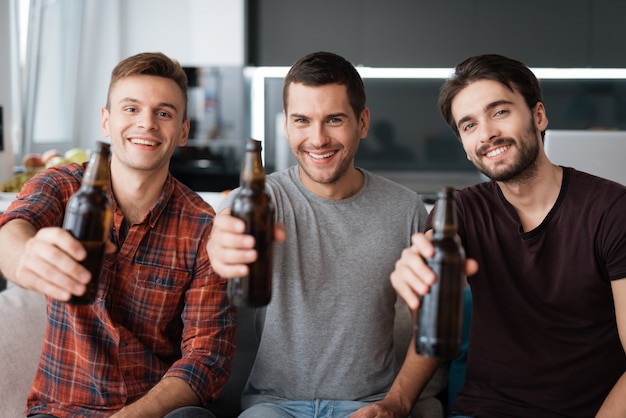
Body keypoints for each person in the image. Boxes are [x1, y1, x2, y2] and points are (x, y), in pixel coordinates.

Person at [0, 52, 236, 417]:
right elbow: (13, 230)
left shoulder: (204, 227)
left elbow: (207, 358)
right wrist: (24, 255)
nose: (147, 124)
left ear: (183, 131)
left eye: (163, 113)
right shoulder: (62, 187)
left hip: (150, 410)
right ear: (106, 121)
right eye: (131, 109)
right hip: (61, 409)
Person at [390, 53, 626, 418]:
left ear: (538, 116)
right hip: (486, 410)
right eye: (468, 126)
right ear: (466, 150)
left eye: (499, 112)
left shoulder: (612, 209)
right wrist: (396, 402)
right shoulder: (459, 212)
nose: (487, 134)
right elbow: (436, 281)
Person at [207, 51, 440, 417]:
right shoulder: (255, 201)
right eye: (302, 120)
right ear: (286, 125)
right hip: (273, 406)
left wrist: (396, 403)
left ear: (362, 122)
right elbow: (224, 236)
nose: (317, 139)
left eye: (334, 120)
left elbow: (435, 324)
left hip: (367, 405)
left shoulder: (406, 209)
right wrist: (220, 247)